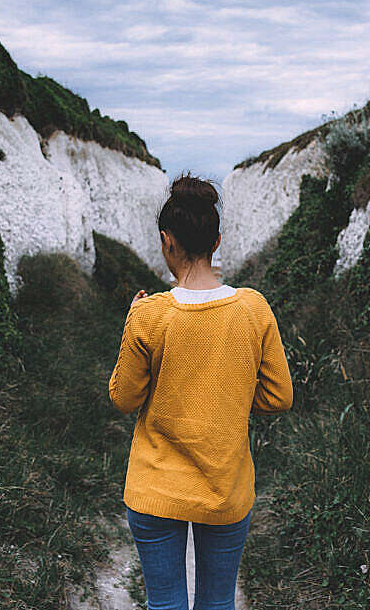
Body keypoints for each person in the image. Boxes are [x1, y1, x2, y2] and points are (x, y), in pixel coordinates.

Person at [109, 173, 294, 610]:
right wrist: (228, 391)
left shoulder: (149, 315)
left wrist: (130, 321)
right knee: (217, 603)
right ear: (216, 242)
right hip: (225, 489)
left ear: (166, 241)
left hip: (155, 489)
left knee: (166, 604)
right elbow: (278, 397)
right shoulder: (253, 308)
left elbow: (124, 398)